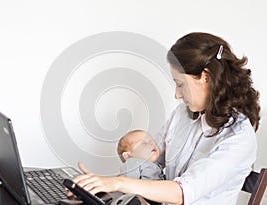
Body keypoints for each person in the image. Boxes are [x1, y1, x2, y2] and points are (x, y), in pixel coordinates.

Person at [69, 32, 261, 205]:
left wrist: (117, 183)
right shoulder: (182, 115)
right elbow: (151, 162)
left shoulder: (238, 139)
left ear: (206, 77)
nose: (177, 95)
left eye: (180, 84)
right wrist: (99, 186)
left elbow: (182, 192)